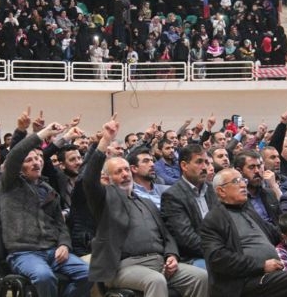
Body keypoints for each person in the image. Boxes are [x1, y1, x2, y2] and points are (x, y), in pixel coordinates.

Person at [84, 116, 208, 297]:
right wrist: (105, 141)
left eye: (127, 169)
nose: (125, 174)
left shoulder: (147, 202)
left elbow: (166, 235)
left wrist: (172, 255)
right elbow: (89, 179)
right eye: (118, 172)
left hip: (159, 262)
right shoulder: (105, 199)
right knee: (155, 280)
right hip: (123, 266)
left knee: (201, 277)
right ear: (106, 179)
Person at [200, 168, 287, 297]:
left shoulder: (247, 211)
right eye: (236, 181)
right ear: (221, 191)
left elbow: (278, 234)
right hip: (244, 282)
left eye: (243, 181)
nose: (243, 185)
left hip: (272, 274)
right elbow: (218, 259)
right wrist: (261, 266)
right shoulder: (214, 219)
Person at [0, 121, 92, 297]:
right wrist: (42, 134)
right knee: (44, 277)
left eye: (38, 158)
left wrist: (64, 244)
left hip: (52, 251)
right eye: (29, 160)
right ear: (20, 166)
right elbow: (14, 155)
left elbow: (60, 224)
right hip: (24, 253)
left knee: (89, 274)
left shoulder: (49, 190)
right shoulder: (10, 185)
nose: (36, 163)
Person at [160, 144, 217, 268]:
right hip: (193, 256)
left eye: (206, 162)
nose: (205, 167)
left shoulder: (211, 189)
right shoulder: (172, 196)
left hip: (218, 248)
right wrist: (218, 251)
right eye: (199, 162)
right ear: (184, 166)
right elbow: (186, 239)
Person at [234, 150, 281, 228]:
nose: (257, 171)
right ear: (239, 171)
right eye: (251, 167)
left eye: (259, 166)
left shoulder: (269, 193)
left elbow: (281, 219)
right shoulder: (236, 200)